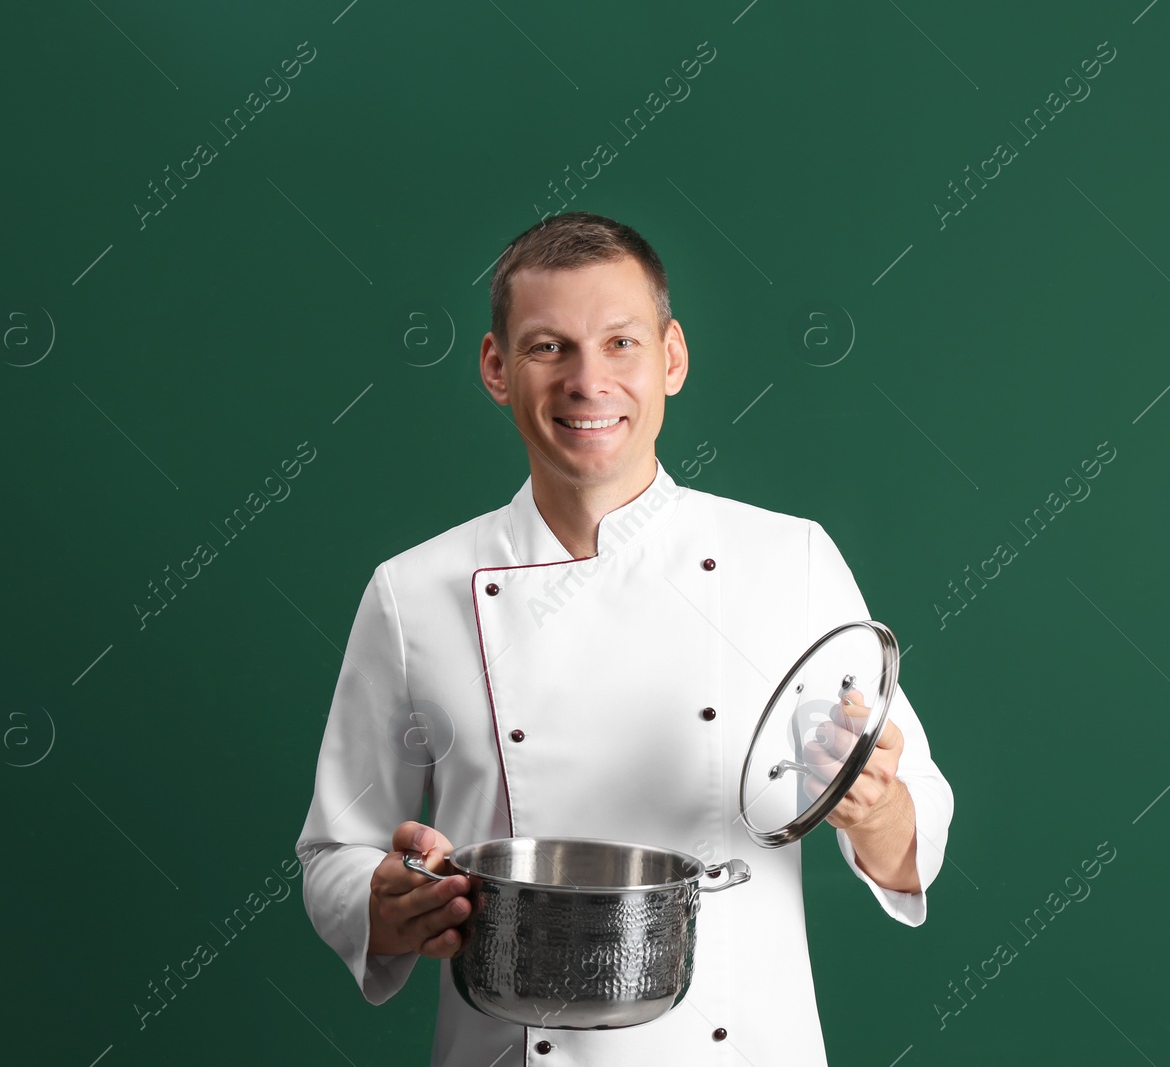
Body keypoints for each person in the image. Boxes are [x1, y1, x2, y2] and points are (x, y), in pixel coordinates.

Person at [294, 211, 954, 1065]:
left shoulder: (785, 558)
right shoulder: (413, 591)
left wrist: (874, 804)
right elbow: (332, 852)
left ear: (671, 358)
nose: (587, 380)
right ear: (496, 368)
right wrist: (386, 903)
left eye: (620, 344)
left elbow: (917, 835)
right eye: (547, 347)